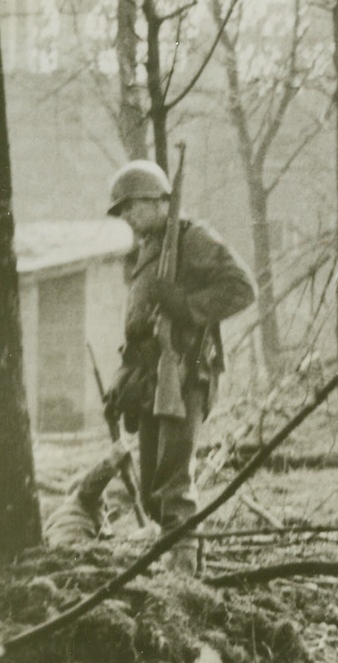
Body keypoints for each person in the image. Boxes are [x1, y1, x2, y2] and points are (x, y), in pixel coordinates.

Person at [103, 159, 255, 572]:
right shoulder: (148, 250)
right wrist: (122, 377)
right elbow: (139, 328)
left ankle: (184, 575)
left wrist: (187, 307)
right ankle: (182, 560)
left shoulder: (193, 239)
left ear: (158, 200)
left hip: (187, 372)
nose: (128, 218)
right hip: (151, 378)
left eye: (132, 206)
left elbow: (242, 289)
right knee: (153, 488)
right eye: (123, 211)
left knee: (173, 484)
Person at [44, 444, 129, 547]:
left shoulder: (56, 516)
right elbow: (92, 483)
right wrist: (112, 460)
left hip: (56, 549)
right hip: (77, 545)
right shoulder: (83, 498)